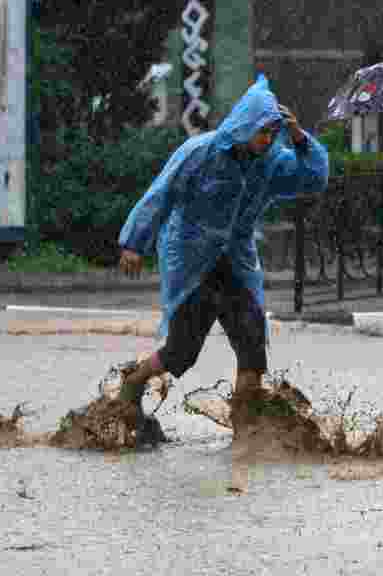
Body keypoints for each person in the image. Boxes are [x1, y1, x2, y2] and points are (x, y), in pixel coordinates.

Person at [114, 73, 329, 444]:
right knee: (183, 349)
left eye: (273, 133)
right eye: (263, 132)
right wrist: (134, 242)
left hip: (236, 261)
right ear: (245, 126)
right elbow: (161, 193)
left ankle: (245, 432)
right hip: (193, 259)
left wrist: (298, 137)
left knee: (251, 340)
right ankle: (133, 384)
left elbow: (313, 178)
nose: (268, 139)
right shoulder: (201, 152)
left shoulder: (272, 162)